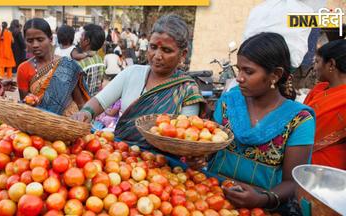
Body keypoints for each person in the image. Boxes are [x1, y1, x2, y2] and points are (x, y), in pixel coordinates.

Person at [189, 33, 315, 214]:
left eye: (248, 71)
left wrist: (262, 198)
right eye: (238, 69)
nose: (239, 77)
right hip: (212, 199)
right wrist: (199, 158)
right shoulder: (228, 103)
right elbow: (211, 151)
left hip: (262, 208)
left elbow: (293, 182)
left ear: (275, 75)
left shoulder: (299, 120)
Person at [72, 14, 206, 147]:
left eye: (166, 50)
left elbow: (186, 138)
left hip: (164, 164)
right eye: (153, 47)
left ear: (182, 54)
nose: (157, 56)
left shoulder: (187, 90)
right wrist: (86, 113)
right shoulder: (132, 73)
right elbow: (100, 101)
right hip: (122, 156)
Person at [17, 18, 87, 116]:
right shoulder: (23, 69)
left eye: (40, 40)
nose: (35, 45)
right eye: (30, 41)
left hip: (71, 122)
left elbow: (80, 102)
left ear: (50, 39)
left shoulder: (67, 65)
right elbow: (25, 106)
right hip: (43, 123)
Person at [304, 40, 346, 170]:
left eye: (317, 61)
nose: (314, 67)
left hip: (330, 169)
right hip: (300, 159)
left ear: (331, 64)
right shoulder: (319, 89)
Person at [76, 23, 106, 98]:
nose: (80, 38)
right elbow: (100, 84)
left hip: (81, 104)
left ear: (87, 41)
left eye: (82, 36)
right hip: (93, 103)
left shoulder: (80, 63)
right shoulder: (100, 60)